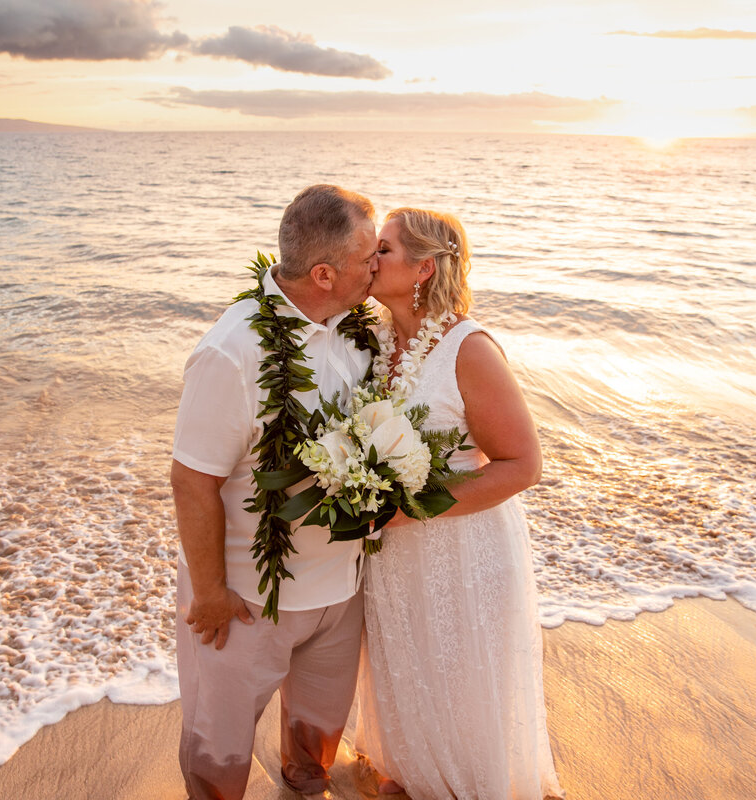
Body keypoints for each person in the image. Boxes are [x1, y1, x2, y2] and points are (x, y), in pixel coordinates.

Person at [171, 184, 379, 799]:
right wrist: (209, 591)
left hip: (341, 590)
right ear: (323, 273)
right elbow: (191, 480)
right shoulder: (231, 352)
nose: (378, 265)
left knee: (315, 739)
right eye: (368, 257)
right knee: (222, 746)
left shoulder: (353, 328)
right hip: (250, 598)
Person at [356, 207, 563, 798]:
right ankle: (415, 772)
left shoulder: (467, 350)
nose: (371, 259)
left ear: (423, 268)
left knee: (461, 680)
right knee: (407, 670)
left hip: (463, 548)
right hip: (394, 550)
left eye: (385, 250)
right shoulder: (373, 340)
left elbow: (523, 464)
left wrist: (411, 508)